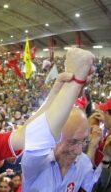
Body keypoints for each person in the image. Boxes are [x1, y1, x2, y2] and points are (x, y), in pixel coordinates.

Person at [21, 48, 101, 191]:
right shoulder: (35, 163)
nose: (78, 150)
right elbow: (35, 134)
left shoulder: (83, 163)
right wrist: (68, 88)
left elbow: (94, 186)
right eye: (73, 141)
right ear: (54, 136)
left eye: (84, 141)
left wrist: (103, 157)